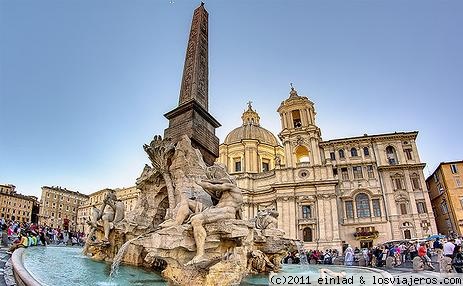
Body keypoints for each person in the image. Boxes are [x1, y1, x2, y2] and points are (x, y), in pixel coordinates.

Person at [185, 177, 243, 265]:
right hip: (216, 210)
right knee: (188, 204)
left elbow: (211, 186)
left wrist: (198, 182)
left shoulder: (232, 187)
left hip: (225, 211)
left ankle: (200, 254)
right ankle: (175, 222)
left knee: (196, 220)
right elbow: (210, 189)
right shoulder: (226, 194)